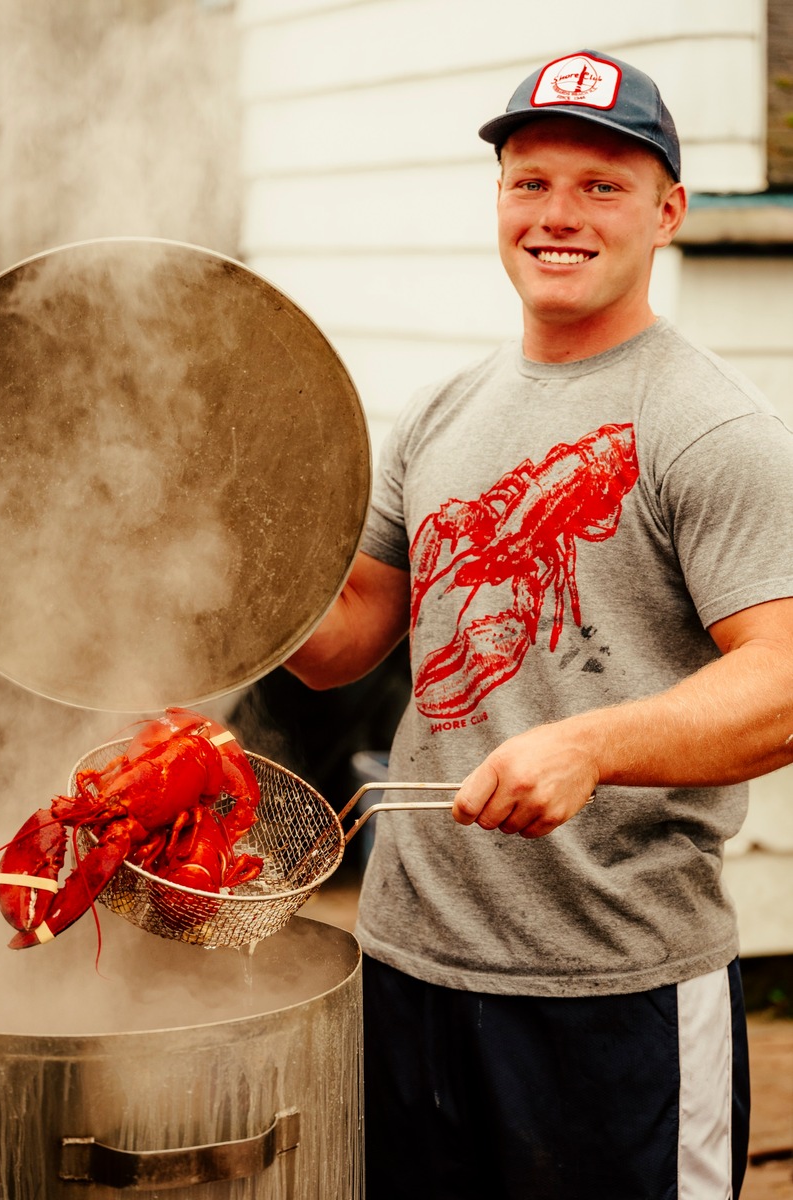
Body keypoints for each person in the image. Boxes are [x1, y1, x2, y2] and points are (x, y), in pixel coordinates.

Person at [285, 48, 793, 1199]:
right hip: (411, 969)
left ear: (668, 212)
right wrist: (230, 562)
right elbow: (343, 643)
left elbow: (786, 682)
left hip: (613, 993)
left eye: (601, 186)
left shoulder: (711, 426)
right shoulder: (439, 412)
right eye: (531, 180)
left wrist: (589, 743)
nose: (558, 215)